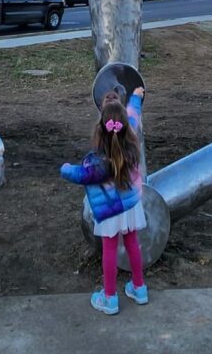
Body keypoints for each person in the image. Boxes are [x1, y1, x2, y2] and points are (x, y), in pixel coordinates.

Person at [60, 85, 148, 315]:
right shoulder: (131, 139)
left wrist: (65, 169)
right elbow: (133, 113)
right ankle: (139, 288)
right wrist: (136, 95)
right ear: (125, 124)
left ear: (101, 127)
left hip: (110, 210)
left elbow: (80, 174)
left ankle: (110, 298)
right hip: (130, 205)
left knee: (109, 250)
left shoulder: (99, 161)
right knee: (132, 243)